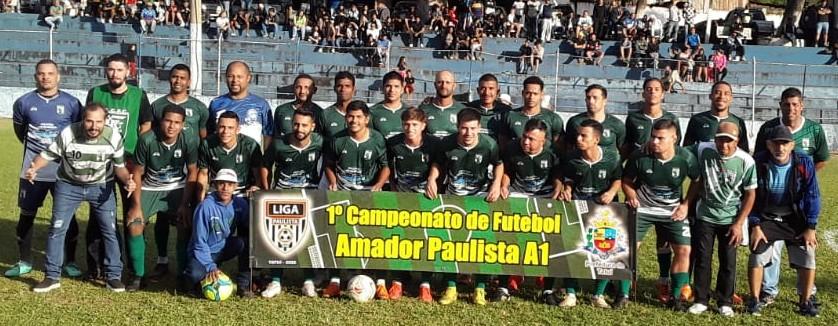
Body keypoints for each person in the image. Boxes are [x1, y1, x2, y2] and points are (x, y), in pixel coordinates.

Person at [29, 103, 136, 293]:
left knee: (109, 230)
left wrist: (128, 179)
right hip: (69, 185)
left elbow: (119, 167)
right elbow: (47, 154)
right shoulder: (68, 133)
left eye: (98, 122)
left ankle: (113, 277)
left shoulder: (113, 137)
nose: (93, 127)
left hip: (101, 185)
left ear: (105, 121)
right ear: (82, 120)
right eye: (89, 121)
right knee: (57, 228)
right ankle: (51, 276)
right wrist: (34, 168)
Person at [753, 87, 828, 307]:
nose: (791, 108)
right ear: (781, 105)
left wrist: (800, 179)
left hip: (800, 200)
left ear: (802, 105)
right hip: (770, 200)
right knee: (771, 250)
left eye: (795, 104)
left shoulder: (814, 129)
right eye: (787, 104)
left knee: (805, 246)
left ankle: (807, 293)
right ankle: (768, 290)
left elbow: (822, 158)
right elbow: (758, 161)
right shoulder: (768, 128)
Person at [8, 59, 82, 278]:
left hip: (64, 172)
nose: (45, 77)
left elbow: (78, 133)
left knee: (68, 216)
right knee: (27, 215)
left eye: (50, 73)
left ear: (58, 76)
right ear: (35, 76)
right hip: (33, 170)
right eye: (41, 74)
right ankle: (24, 261)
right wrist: (37, 156)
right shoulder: (23, 102)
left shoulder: (72, 103)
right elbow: (20, 132)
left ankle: (70, 261)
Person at [85, 53, 153, 282]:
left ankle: (134, 268)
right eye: (111, 69)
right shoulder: (96, 93)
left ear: (128, 72)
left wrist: (137, 154)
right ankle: (96, 267)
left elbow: (146, 125)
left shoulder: (138, 95)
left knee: (132, 212)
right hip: (100, 159)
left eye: (119, 70)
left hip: (130, 161)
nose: (115, 73)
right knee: (99, 214)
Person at [427, 108, 504, 305]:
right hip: (454, 197)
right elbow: (437, 164)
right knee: (452, 243)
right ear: (457, 127)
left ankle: (479, 289)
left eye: (472, 128)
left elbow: (499, 164)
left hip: (480, 198)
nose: (468, 133)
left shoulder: (489, 144)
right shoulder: (447, 144)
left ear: (479, 127)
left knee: (479, 244)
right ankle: (450, 287)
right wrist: (432, 179)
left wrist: (496, 184)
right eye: (463, 128)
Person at [623, 119, 699, 311]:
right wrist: (631, 196)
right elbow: (626, 180)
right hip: (644, 209)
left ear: (674, 138)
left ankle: (675, 298)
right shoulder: (640, 155)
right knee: (627, 249)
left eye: (660, 138)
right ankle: (622, 294)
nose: (654, 142)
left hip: (672, 211)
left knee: (684, 251)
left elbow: (698, 181)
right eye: (653, 137)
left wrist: (685, 205)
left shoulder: (686, 158)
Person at [745, 126, 820, 318]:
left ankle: (805, 300)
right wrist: (755, 225)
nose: (780, 148)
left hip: (794, 218)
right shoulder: (759, 161)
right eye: (776, 143)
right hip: (767, 216)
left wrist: (810, 227)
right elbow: (750, 195)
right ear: (769, 145)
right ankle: (754, 299)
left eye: (785, 143)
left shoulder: (803, 162)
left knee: (808, 253)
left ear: (792, 145)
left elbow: (812, 194)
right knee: (757, 253)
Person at [683, 122, 755, 317]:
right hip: (705, 214)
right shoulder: (703, 149)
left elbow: (750, 195)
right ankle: (701, 299)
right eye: (720, 139)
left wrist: (739, 224)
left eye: (729, 141)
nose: (724, 145)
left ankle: (725, 301)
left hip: (731, 218)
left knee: (728, 261)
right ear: (714, 139)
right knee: (703, 259)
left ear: (737, 141)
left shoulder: (746, 161)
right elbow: (679, 151)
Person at [125, 104, 198, 291]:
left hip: (177, 187)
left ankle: (183, 274)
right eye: (167, 121)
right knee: (134, 224)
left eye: (176, 123)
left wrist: (185, 204)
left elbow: (192, 172)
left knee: (184, 224)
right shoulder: (147, 139)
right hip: (150, 187)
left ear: (183, 125)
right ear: (160, 121)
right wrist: (136, 205)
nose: (171, 126)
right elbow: (137, 172)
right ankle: (138, 275)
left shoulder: (189, 139)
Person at [557, 119, 626, 309]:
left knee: (604, 251)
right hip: (578, 207)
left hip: (604, 211)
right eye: (577, 135)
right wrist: (568, 189)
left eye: (583, 136)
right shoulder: (571, 158)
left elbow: (618, 179)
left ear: (596, 139)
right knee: (570, 249)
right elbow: (570, 179)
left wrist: (611, 192)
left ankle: (598, 294)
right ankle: (570, 293)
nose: (578, 139)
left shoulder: (612, 157)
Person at [258, 109, 323, 298]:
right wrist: (266, 189)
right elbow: (265, 166)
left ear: (313, 126)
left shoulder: (320, 142)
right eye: (296, 124)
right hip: (283, 196)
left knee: (307, 239)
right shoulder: (279, 144)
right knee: (280, 238)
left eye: (304, 125)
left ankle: (308, 281)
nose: (299, 128)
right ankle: (275, 281)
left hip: (309, 197)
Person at [382, 107, 440, 302]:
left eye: (415, 124)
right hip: (402, 197)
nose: (410, 128)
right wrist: (394, 187)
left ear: (423, 125)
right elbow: (387, 167)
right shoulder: (393, 144)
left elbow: (439, 164)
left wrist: (432, 179)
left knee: (426, 241)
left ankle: (425, 284)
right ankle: (398, 281)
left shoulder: (434, 144)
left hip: (426, 198)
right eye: (406, 124)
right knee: (400, 240)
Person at [184, 169, 252, 298]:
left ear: (236, 186)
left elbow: (250, 226)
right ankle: (194, 280)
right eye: (221, 183)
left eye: (230, 184)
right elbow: (199, 242)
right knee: (194, 275)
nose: (225, 188)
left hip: (224, 247)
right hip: (204, 251)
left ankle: (244, 285)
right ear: (215, 185)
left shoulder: (240, 204)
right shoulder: (205, 207)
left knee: (246, 243)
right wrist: (210, 266)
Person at [197, 111, 264, 201]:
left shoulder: (250, 145)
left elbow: (258, 175)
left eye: (230, 128)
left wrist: (256, 187)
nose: (225, 131)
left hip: (242, 192)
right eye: (222, 127)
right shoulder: (207, 144)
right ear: (217, 128)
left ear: (238, 130)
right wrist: (200, 201)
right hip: (217, 191)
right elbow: (203, 174)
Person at [207, 61, 273, 149]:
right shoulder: (216, 103)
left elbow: (268, 134)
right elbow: (210, 133)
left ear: (248, 78)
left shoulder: (261, 104)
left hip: (251, 160)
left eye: (239, 76)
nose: (235, 80)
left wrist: (265, 160)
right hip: (222, 159)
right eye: (230, 76)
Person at [499, 76, 564, 152]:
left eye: (535, 94)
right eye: (528, 93)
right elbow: (503, 145)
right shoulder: (510, 116)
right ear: (523, 93)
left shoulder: (553, 118)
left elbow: (560, 147)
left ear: (542, 95)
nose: (531, 97)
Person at [683, 81, 749, 152]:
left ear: (731, 98)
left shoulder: (738, 122)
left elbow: (744, 152)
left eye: (726, 94)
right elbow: (687, 151)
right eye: (717, 93)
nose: (722, 96)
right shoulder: (697, 120)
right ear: (710, 96)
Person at [564, 84, 625, 153]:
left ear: (604, 101)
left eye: (595, 98)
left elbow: (623, 150)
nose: (591, 101)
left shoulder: (617, 124)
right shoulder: (575, 122)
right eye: (588, 98)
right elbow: (568, 147)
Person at [418, 70, 466, 139]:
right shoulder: (423, 109)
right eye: (440, 82)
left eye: (448, 82)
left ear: (454, 85)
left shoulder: (462, 110)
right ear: (435, 85)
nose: (444, 86)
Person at [273, 73, 323, 138]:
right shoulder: (281, 110)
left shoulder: (320, 113)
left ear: (314, 90)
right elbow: (275, 138)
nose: (302, 91)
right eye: (298, 87)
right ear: (293, 89)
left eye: (307, 87)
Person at [465, 73, 513, 140]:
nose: (486, 93)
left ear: (498, 91)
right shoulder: (468, 109)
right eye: (483, 88)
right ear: (478, 91)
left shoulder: (506, 111)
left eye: (491, 88)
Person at [319, 71, 356, 139]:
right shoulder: (325, 114)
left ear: (353, 89)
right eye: (339, 86)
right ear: (334, 88)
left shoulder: (362, 114)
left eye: (347, 86)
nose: (343, 89)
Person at [370, 71, 407, 139]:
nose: (392, 90)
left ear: (402, 89)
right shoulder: (372, 111)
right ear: (382, 88)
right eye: (388, 86)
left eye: (396, 86)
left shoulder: (410, 111)